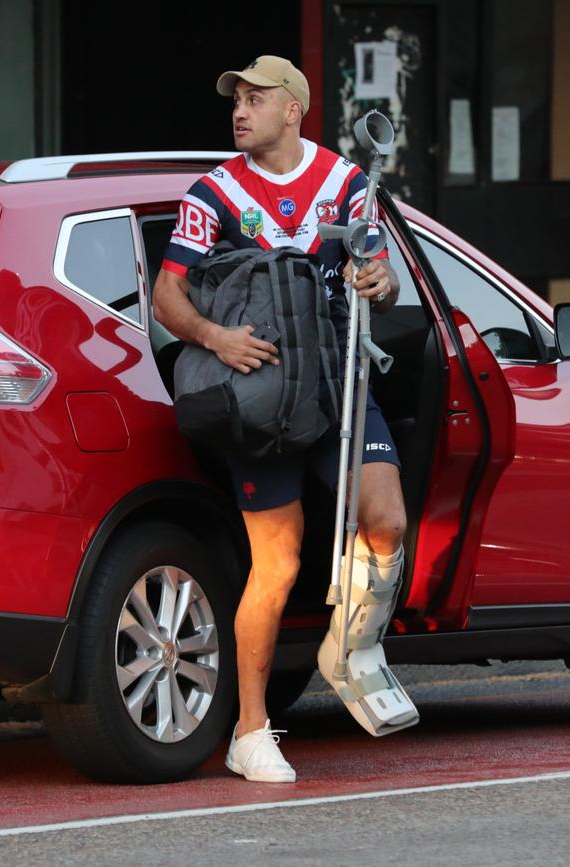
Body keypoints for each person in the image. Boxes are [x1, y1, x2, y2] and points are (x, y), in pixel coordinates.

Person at [153, 55, 416, 784]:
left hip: (339, 383)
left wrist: (381, 280)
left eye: (255, 98)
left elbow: (382, 279)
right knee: (280, 560)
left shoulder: (344, 183)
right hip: (260, 395)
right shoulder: (212, 193)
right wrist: (215, 337)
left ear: (293, 108)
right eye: (234, 98)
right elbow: (167, 299)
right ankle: (249, 730)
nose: (239, 110)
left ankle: (353, 647)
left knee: (386, 517)